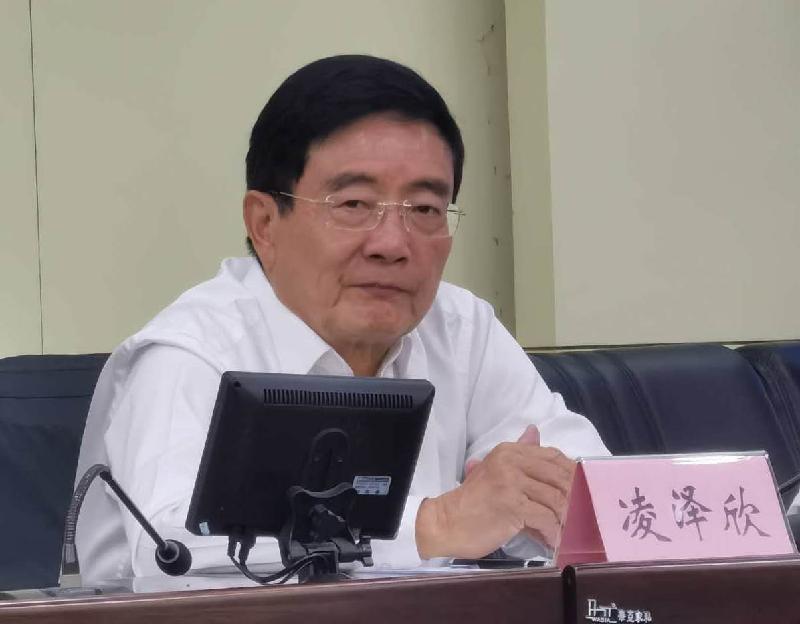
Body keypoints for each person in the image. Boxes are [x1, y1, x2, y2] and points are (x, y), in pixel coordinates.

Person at [75, 54, 608, 583]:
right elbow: (172, 548)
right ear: (264, 223)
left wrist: (526, 510)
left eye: (425, 210)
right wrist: (438, 524)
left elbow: (593, 495)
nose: (392, 244)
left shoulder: (461, 328)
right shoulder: (189, 353)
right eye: (354, 204)